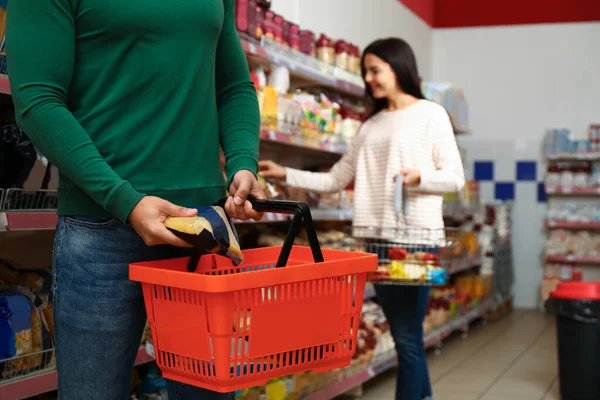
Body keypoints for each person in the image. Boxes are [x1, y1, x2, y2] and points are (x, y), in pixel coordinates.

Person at [7, 0, 264, 399]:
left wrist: (244, 163)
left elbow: (232, 86)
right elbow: (38, 100)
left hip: (204, 230)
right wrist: (124, 199)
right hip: (101, 229)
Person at [260, 38, 465, 400]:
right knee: (407, 335)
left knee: (407, 337)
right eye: (365, 72)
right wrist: (284, 173)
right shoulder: (370, 126)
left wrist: (420, 177)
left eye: (375, 70)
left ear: (398, 66)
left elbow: (454, 177)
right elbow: (335, 179)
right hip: (376, 240)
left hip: (416, 240)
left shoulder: (431, 114)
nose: (369, 79)